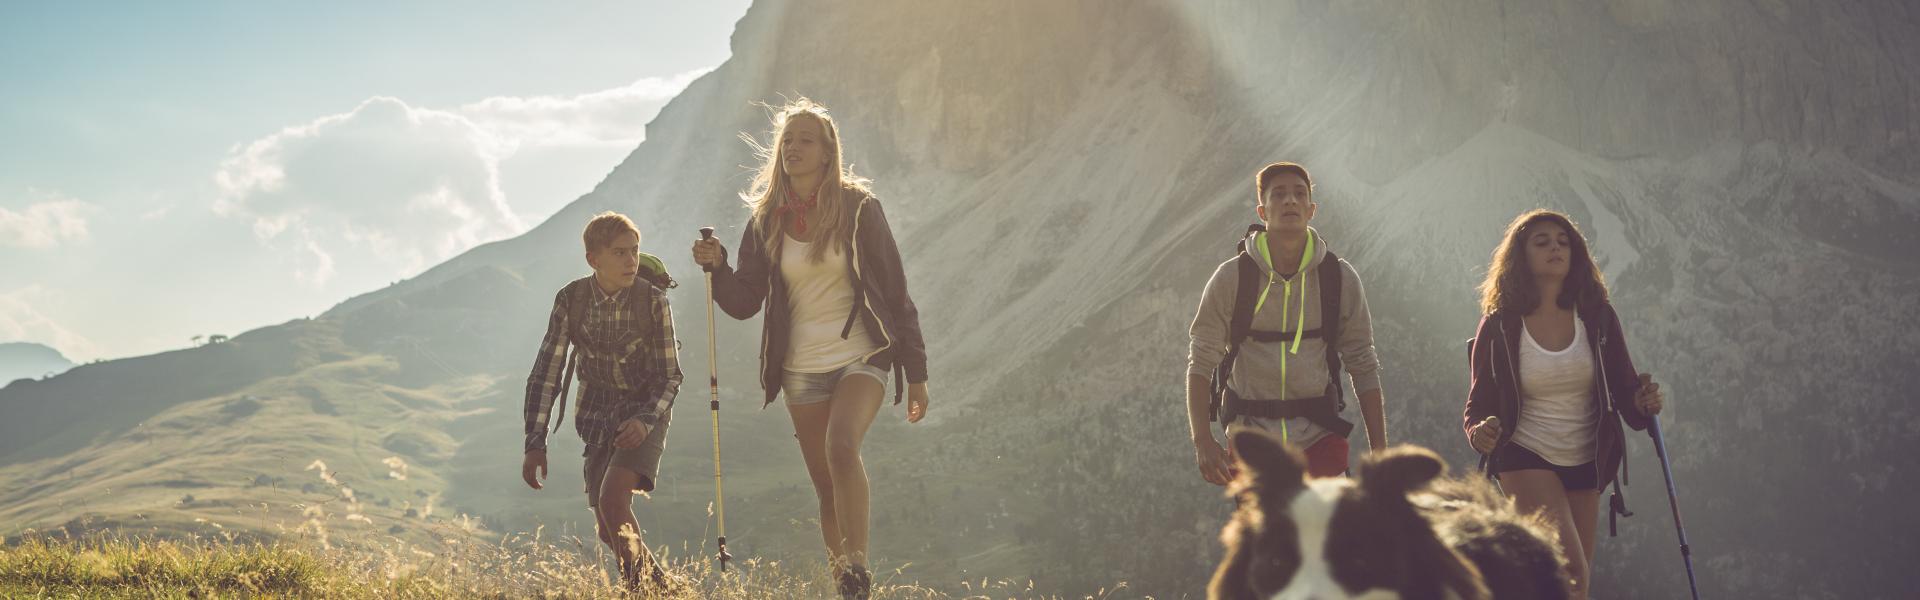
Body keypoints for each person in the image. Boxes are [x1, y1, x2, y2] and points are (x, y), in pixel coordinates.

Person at [691, 98, 930, 600]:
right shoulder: (765, 220)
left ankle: (858, 565)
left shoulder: (859, 208)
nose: (792, 147)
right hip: (800, 368)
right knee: (825, 487)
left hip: (863, 354)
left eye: (805, 139)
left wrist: (918, 372)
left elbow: (896, 291)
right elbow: (743, 303)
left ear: (827, 152)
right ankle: (845, 583)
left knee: (841, 448)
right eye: (787, 140)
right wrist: (718, 269)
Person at [1463, 208, 1667, 600]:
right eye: (1542, 242)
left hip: (1587, 460)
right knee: (1568, 569)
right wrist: (1480, 431)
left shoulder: (1598, 318)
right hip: (1524, 454)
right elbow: (1477, 403)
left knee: (1575, 584)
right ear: (1521, 256)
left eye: (1563, 242)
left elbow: (1627, 393)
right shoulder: (1500, 324)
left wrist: (1644, 403)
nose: (1555, 248)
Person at [1186, 161, 1388, 484]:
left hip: (1321, 440)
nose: (1290, 201)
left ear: (1311, 209)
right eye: (1278, 195)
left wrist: (1381, 452)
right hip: (1252, 445)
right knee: (1269, 536)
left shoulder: (1339, 279)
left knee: (1331, 535)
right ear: (1262, 212)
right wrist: (1202, 441)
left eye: (1298, 194)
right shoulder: (1231, 279)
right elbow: (1200, 362)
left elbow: (1363, 363)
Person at [520, 211, 683, 592]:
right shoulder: (571, 300)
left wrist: (645, 420)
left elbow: (670, 376)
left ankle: (637, 592)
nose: (631, 262)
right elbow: (547, 372)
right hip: (595, 416)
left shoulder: (653, 301)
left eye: (635, 251)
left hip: (645, 411)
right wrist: (535, 442)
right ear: (594, 259)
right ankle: (670, 590)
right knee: (610, 530)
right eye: (619, 253)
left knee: (613, 502)